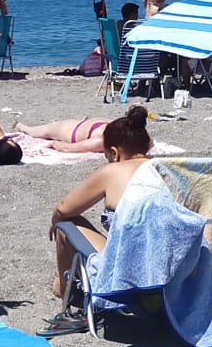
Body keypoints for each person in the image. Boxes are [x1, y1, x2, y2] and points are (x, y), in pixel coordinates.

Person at [47, 107, 156, 300]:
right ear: (147, 146)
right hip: (164, 271)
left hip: (125, 275)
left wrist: (55, 221)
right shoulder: (165, 169)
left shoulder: (113, 171)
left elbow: (64, 208)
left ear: (114, 153)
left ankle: (63, 288)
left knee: (65, 225)